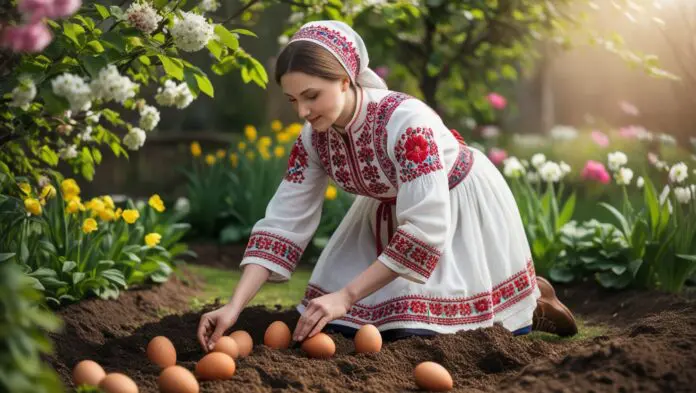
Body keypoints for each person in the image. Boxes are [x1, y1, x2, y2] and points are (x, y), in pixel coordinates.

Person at [197, 20, 577, 352]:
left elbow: (426, 227)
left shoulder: (406, 122)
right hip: (386, 209)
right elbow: (284, 220)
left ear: (346, 79)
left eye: (312, 96)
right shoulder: (313, 138)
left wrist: (346, 295)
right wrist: (234, 307)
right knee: (344, 327)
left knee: (426, 336)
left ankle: (533, 297)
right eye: (293, 100)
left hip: (452, 201)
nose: (302, 112)